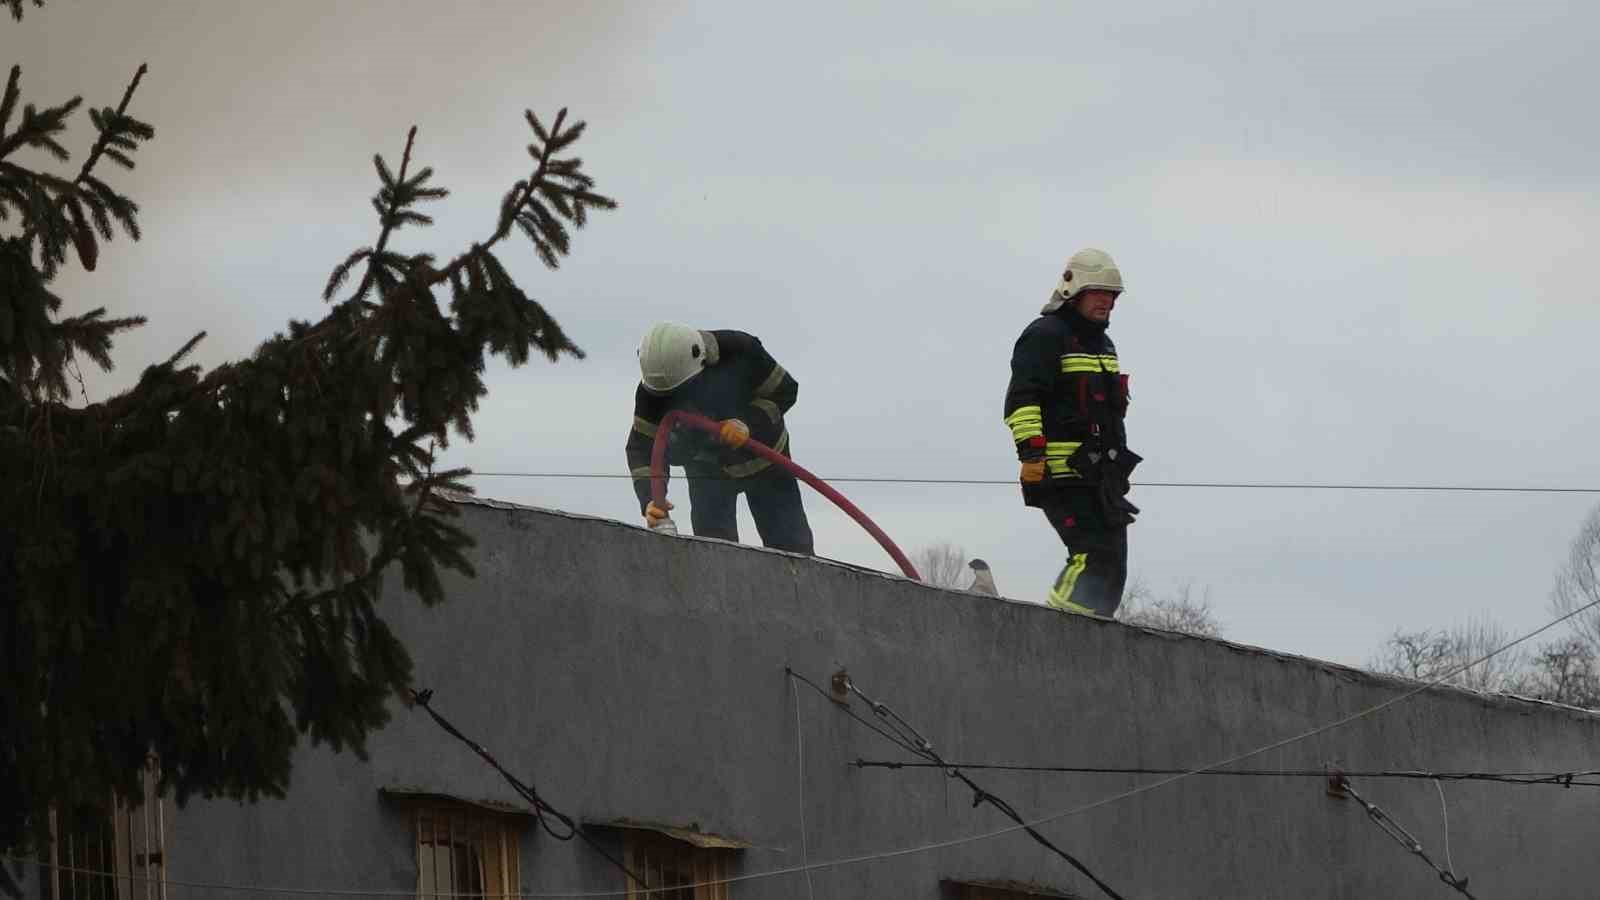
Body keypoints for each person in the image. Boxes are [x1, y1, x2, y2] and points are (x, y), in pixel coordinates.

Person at [1001, 248, 1141, 616]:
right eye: (1099, 292)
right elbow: (1022, 401)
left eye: (1112, 295)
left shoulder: (1103, 346)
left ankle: (1093, 641)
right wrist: (1033, 458)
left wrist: (1119, 469)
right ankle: (1057, 635)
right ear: (1073, 290)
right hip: (1061, 475)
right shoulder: (1045, 336)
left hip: (1102, 479)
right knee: (1090, 555)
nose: (1107, 302)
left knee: (1113, 567)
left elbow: (1111, 414)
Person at [625, 322, 814, 554]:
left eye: (682, 389)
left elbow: (785, 391)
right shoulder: (653, 390)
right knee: (715, 555)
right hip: (708, 472)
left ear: (702, 362)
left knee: (793, 551)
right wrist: (650, 498)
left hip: (767, 465)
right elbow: (643, 447)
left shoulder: (741, 351)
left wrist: (748, 424)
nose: (677, 398)